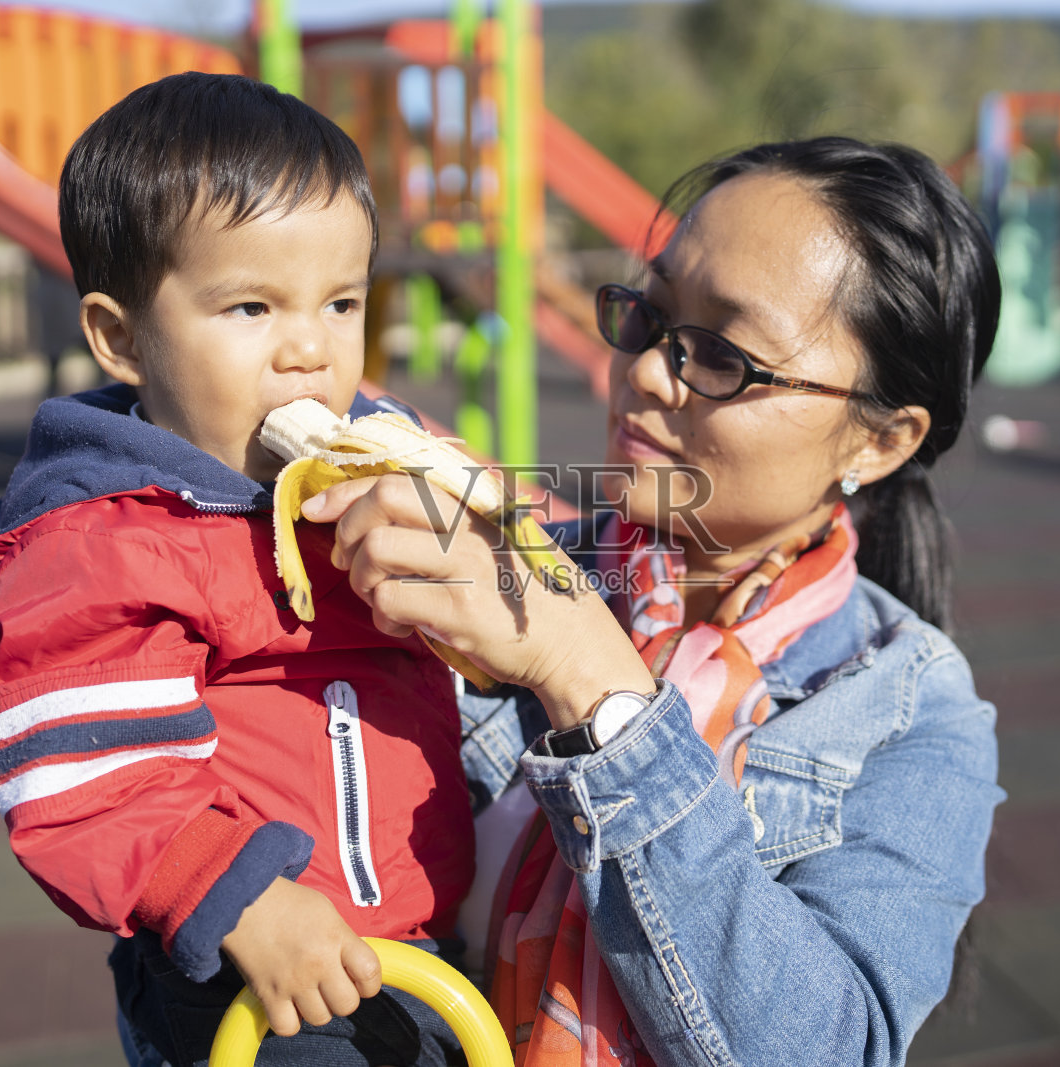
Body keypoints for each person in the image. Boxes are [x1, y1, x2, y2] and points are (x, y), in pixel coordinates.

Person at [306, 136, 1005, 1066]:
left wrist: (593, 684)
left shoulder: (906, 707)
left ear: (878, 441)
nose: (641, 371)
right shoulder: (490, 562)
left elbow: (831, 1045)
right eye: (648, 316)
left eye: (721, 355)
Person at [0, 73, 474, 1067]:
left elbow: (514, 546)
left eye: (342, 300)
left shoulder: (379, 452)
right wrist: (242, 900)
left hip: (414, 932)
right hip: (251, 969)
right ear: (122, 338)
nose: (309, 347)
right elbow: (89, 778)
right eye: (252, 306)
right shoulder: (105, 543)